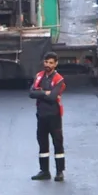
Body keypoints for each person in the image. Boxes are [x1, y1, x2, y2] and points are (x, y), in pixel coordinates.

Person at [29, 53, 66, 181]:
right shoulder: (39, 76)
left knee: (57, 143)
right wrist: (45, 92)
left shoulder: (59, 79)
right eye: (46, 62)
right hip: (41, 115)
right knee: (42, 143)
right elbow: (31, 93)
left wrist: (40, 93)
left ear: (56, 64)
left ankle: (60, 172)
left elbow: (53, 97)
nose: (48, 65)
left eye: (51, 63)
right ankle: (44, 171)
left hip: (54, 115)